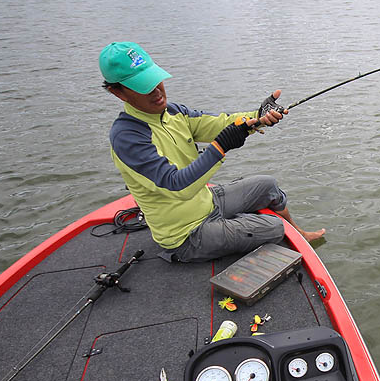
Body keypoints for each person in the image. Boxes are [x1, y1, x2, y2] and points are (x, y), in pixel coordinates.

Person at [99, 41, 324, 262]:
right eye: (143, 85)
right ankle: (243, 231)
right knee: (274, 227)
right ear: (118, 92)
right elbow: (177, 186)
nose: (156, 91)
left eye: (155, 79)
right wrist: (220, 147)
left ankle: (299, 234)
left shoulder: (173, 112)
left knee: (268, 185)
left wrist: (259, 117)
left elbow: (220, 123)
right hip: (185, 233)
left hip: (207, 202)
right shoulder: (127, 137)